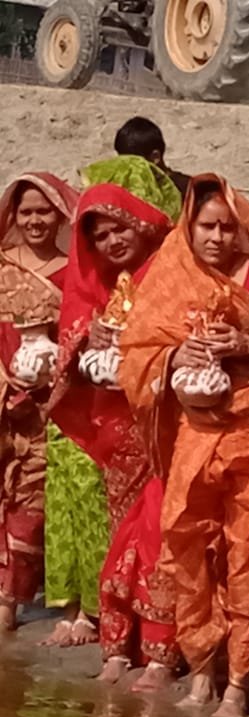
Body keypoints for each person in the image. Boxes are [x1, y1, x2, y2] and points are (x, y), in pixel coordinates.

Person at [119, 174, 249, 717]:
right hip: (197, 432)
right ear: (189, 226)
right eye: (208, 226)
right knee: (185, 542)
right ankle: (202, 664)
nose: (218, 238)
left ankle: (242, 681)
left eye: (229, 228)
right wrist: (178, 357)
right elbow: (138, 350)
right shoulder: (172, 275)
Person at [48, 157, 182, 689]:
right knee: (124, 533)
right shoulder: (108, 283)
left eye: (118, 227)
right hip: (117, 434)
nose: (110, 242)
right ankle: (120, 643)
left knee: (160, 532)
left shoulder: (176, 270)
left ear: (143, 222)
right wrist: (89, 338)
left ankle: (162, 650)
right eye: (99, 236)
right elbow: (71, 340)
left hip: (167, 426)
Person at [0, 173, 79, 634]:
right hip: (3, 396)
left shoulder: (72, 270)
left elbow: (78, 334)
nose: (34, 221)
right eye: (26, 212)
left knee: (33, 498)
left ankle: (10, 601)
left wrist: (49, 383)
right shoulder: (2, 265)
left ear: (59, 215)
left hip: (50, 404)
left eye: (43, 211)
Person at [114, 117, 191, 197]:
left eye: (133, 163)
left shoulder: (189, 190)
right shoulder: (126, 189)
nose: (128, 169)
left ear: (155, 157)